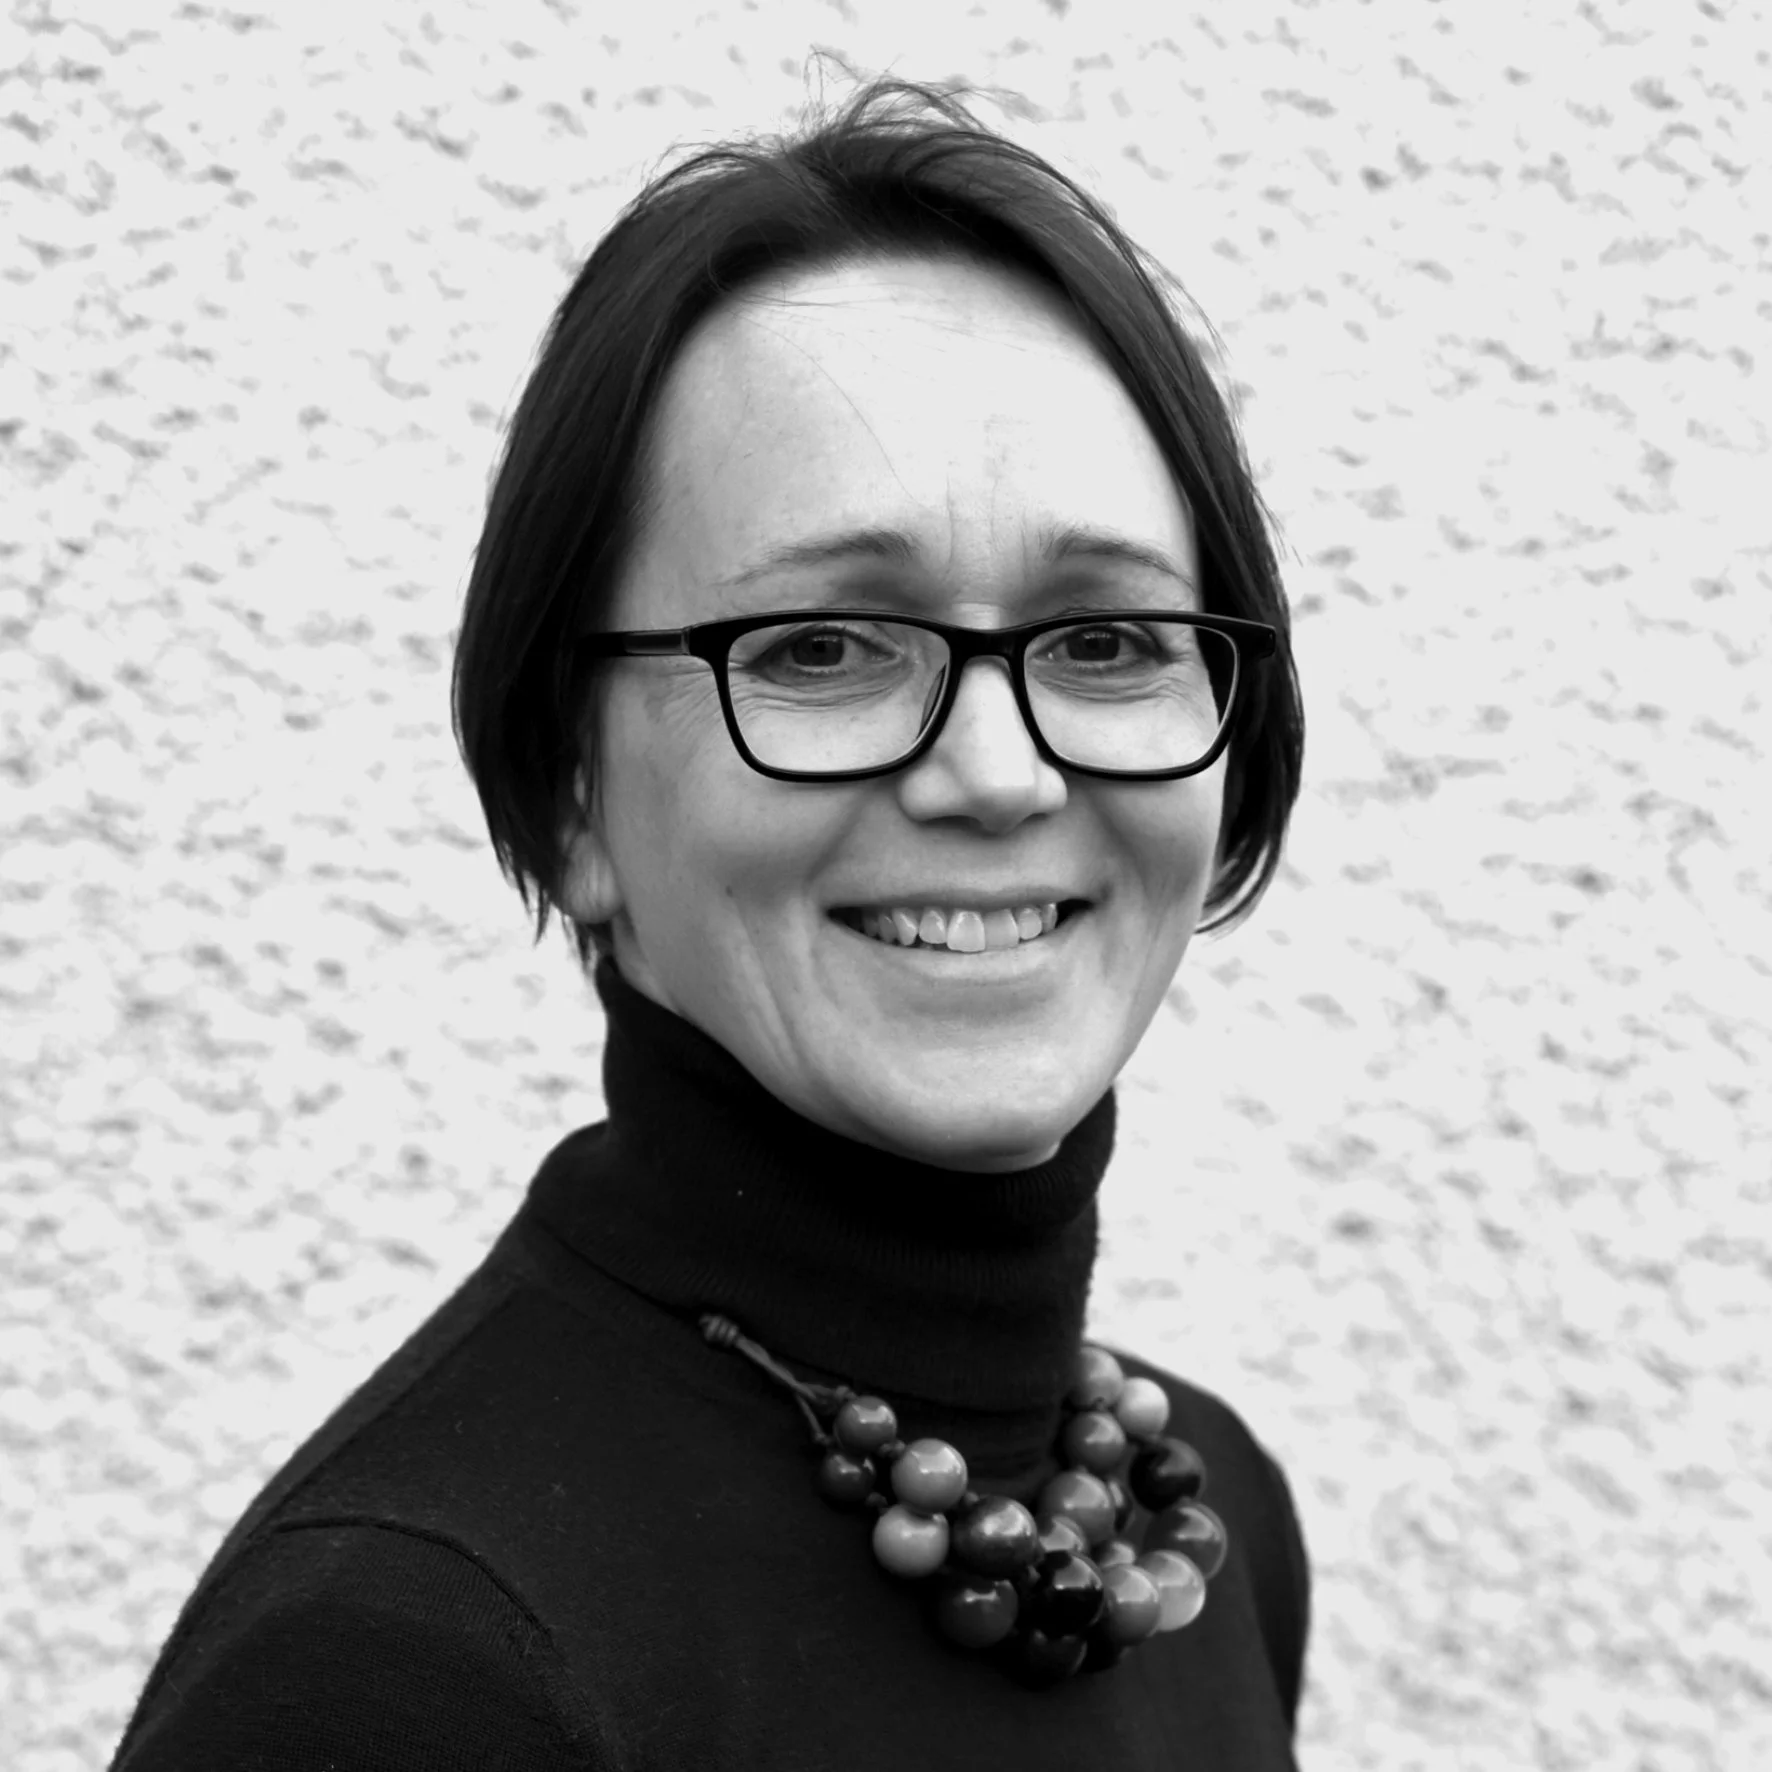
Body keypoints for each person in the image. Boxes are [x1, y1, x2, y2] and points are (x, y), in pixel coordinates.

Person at [111, 74, 1308, 1770]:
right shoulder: (406, 1665)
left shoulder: (1205, 1532)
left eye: (1107, 640)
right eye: (822, 645)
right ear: (571, 794)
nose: (998, 772)